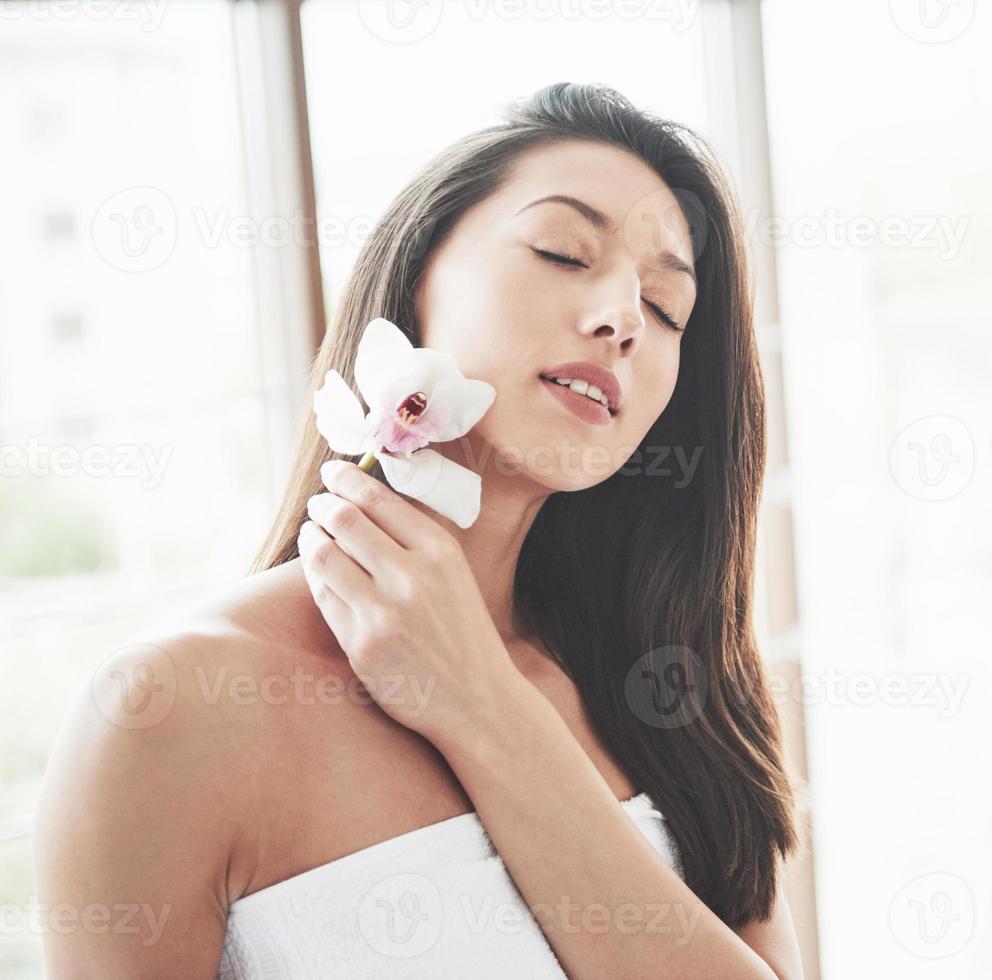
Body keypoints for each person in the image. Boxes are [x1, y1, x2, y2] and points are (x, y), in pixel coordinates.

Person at [34, 81, 802, 979]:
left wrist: (478, 703)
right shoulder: (170, 710)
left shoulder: (669, 696)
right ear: (418, 269)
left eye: (667, 309)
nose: (623, 319)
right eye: (562, 251)